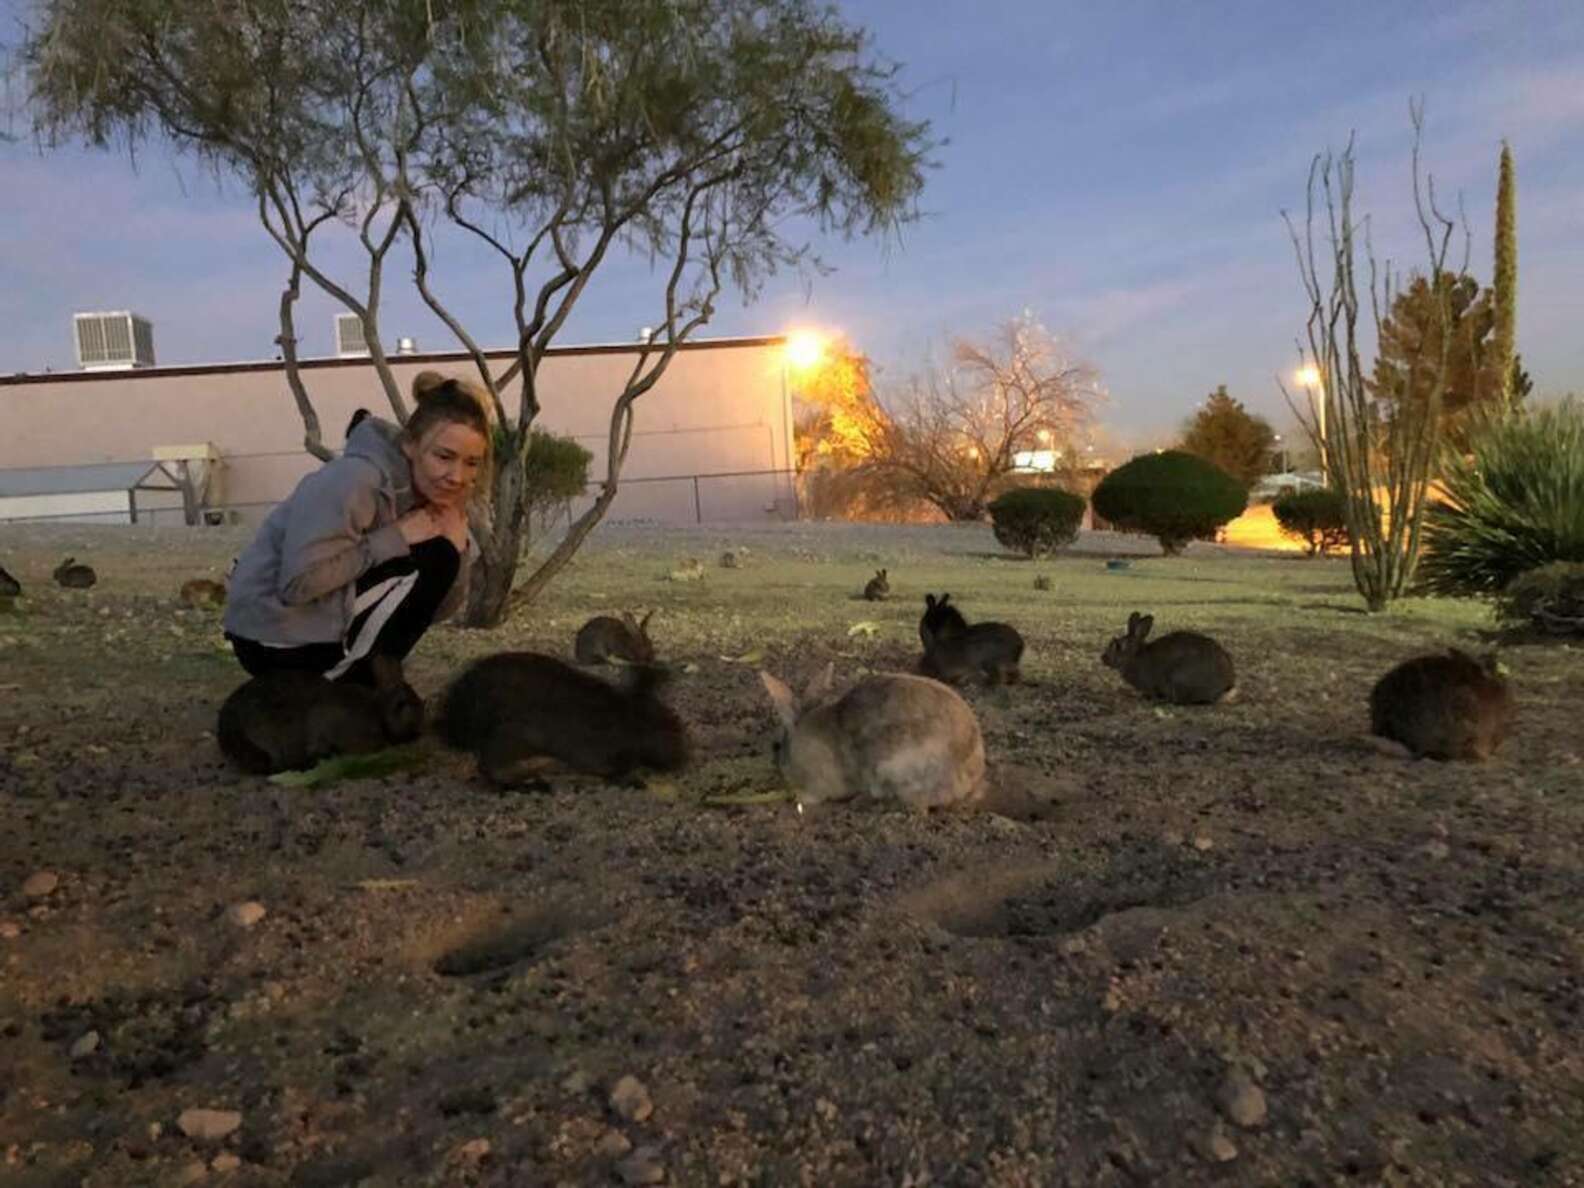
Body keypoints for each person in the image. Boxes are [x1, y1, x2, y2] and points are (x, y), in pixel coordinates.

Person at [223, 371, 491, 685]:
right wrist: (396, 538)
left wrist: (457, 549)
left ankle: (364, 682)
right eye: (444, 456)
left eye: (471, 463)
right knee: (435, 555)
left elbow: (434, 612)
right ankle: (355, 686)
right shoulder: (354, 480)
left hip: (320, 626)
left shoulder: (432, 498)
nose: (457, 476)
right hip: (271, 638)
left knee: (440, 554)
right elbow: (297, 585)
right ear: (409, 445)